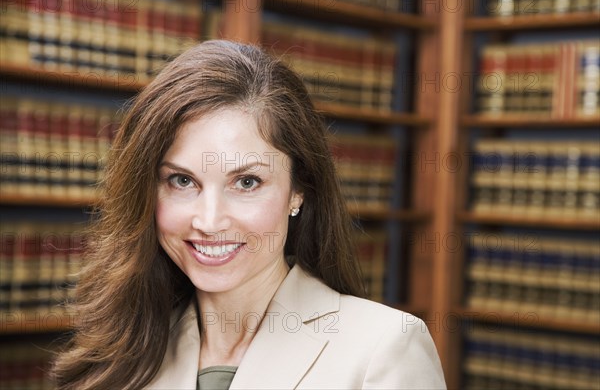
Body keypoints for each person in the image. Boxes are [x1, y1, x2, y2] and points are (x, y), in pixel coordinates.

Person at [52, 40, 446, 390]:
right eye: (181, 181)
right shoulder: (120, 352)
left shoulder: (384, 347)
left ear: (298, 191)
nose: (208, 221)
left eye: (246, 183)